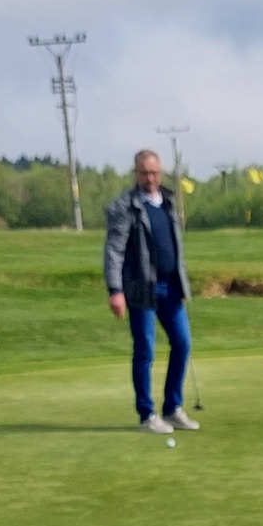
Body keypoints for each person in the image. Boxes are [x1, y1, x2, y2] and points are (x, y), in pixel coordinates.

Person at [105, 149, 197, 435]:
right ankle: (147, 415)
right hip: (141, 287)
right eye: (144, 172)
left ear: (161, 172)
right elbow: (114, 250)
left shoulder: (168, 202)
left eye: (154, 172)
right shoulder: (124, 206)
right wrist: (115, 290)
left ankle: (172, 408)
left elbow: (176, 247)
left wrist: (182, 282)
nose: (150, 177)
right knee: (145, 350)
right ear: (136, 173)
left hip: (171, 286)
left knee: (182, 343)